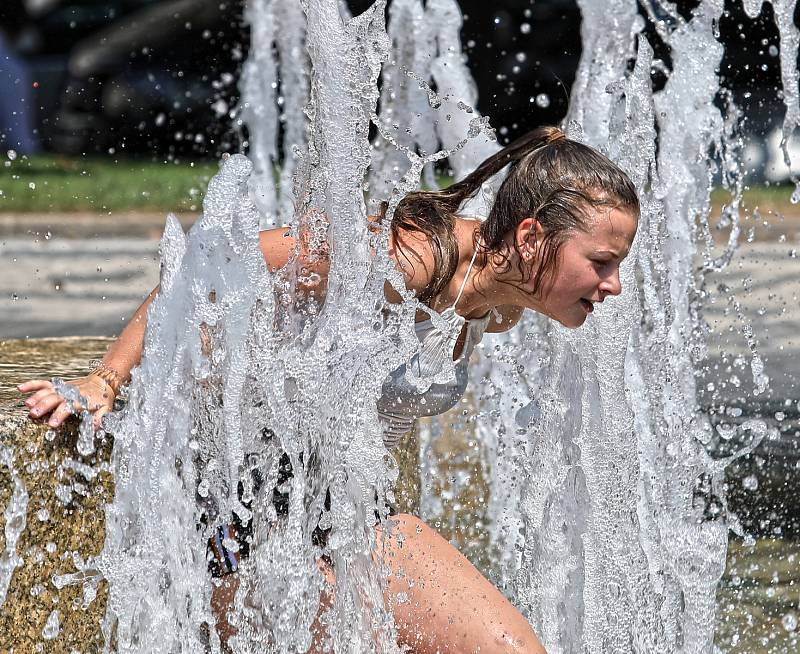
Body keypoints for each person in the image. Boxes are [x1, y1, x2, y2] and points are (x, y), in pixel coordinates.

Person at [18, 126, 639, 653]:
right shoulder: (408, 261)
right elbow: (209, 266)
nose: (612, 285)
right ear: (531, 239)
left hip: (337, 511)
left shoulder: (499, 301)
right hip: (235, 515)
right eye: (602, 262)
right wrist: (105, 380)